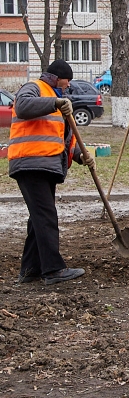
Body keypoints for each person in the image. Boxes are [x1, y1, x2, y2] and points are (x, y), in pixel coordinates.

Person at [9, 59, 93, 285]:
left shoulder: (59, 101)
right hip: (30, 162)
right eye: (67, 82)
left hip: (45, 165)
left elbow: (60, 139)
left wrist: (78, 155)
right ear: (57, 78)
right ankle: (53, 270)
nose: (68, 86)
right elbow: (23, 107)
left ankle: (30, 270)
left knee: (39, 218)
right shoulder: (34, 87)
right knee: (46, 217)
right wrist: (55, 102)